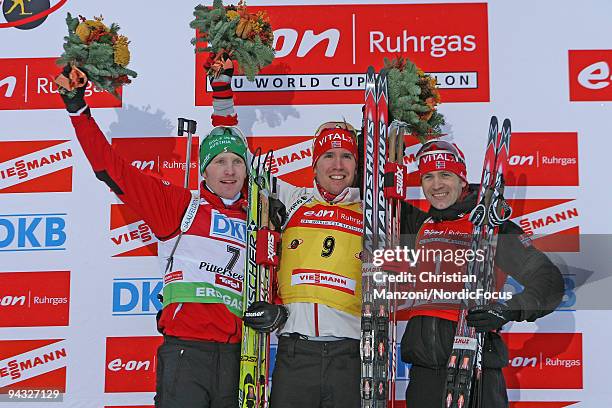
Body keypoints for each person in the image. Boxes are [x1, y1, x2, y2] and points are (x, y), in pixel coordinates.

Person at [59, 57, 249, 408]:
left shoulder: (257, 215)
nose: (229, 170)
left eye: (237, 162)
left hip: (242, 356)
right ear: (203, 172)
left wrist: (222, 89)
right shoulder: (179, 205)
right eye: (219, 162)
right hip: (186, 351)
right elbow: (111, 169)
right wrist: (78, 110)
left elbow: (231, 135)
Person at [397, 140, 565, 407]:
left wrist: (508, 309)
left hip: (476, 369)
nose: (436, 185)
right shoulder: (418, 224)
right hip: (424, 374)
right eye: (428, 176)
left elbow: (550, 282)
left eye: (446, 175)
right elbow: (374, 199)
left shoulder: (492, 227)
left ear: (463, 179)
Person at [243, 121, 363, 407]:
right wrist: (223, 102)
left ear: (356, 167)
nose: (338, 165)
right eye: (328, 156)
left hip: (350, 355)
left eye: (346, 156)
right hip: (295, 352)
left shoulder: (371, 210)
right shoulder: (294, 199)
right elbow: (244, 164)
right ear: (314, 166)